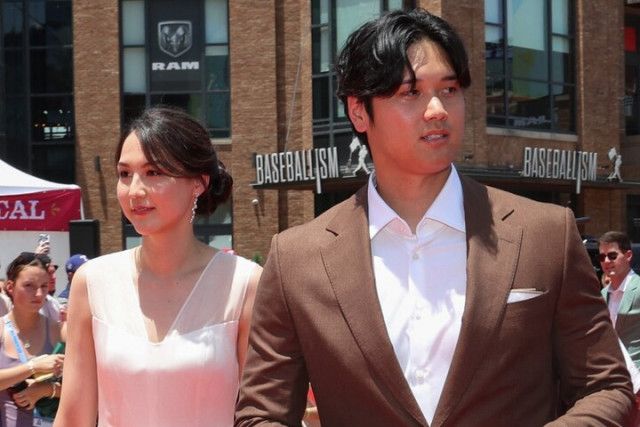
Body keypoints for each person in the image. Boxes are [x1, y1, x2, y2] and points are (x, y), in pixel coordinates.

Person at [235, 9, 635, 426]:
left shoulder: (545, 233)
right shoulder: (297, 259)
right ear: (358, 111)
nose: (437, 109)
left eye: (449, 89)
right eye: (410, 93)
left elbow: (604, 385)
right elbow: (261, 414)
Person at [54, 107, 261, 427]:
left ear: (198, 183)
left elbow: (261, 413)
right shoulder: (92, 282)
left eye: (153, 172)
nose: (135, 190)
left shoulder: (243, 283)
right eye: (125, 174)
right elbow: (72, 418)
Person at [0, 253, 64, 427]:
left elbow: (86, 386)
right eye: (29, 285)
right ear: (10, 287)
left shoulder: (59, 331)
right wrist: (32, 367)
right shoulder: (2, 329)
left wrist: (46, 389)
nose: (38, 293)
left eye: (44, 286)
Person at [600, 231, 640, 367]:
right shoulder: (602, 295)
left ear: (628, 256)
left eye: (612, 255)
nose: (606, 261)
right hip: (612, 372)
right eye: (602, 257)